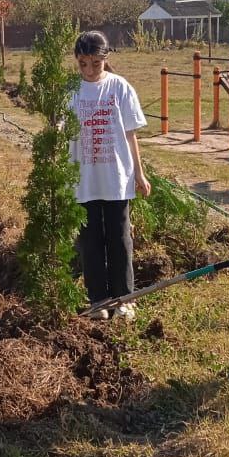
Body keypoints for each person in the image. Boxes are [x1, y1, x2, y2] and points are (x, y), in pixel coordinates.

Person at [69, 30, 151, 320]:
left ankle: (124, 298)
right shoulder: (71, 92)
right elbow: (60, 133)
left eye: (95, 63)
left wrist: (139, 174)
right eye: (83, 64)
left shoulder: (120, 88)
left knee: (119, 237)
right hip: (84, 179)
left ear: (105, 59)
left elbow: (130, 135)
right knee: (90, 240)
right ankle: (99, 301)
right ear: (77, 62)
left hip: (117, 177)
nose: (89, 70)